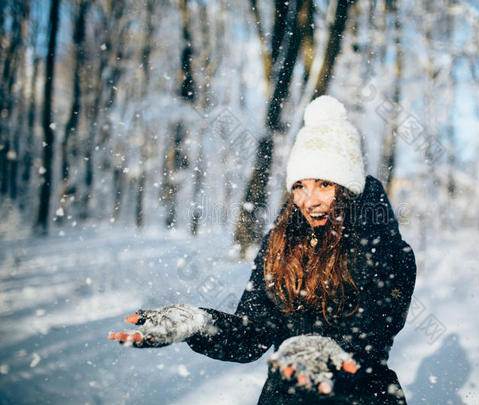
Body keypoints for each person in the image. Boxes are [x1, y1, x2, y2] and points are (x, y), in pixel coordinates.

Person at [109, 96, 417, 404]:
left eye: (324, 184)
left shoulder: (386, 248)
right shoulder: (282, 243)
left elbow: (373, 332)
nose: (309, 200)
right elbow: (251, 336)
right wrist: (199, 324)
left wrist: (325, 348)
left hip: (362, 396)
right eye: (300, 186)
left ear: (347, 187)